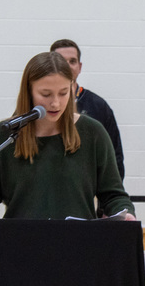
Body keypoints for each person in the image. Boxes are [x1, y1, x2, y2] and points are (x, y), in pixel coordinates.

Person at [0, 51, 135, 220]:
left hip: (79, 242)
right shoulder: (3, 136)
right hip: (18, 242)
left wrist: (126, 213)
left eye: (63, 93)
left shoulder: (93, 132)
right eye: (46, 94)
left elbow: (114, 196)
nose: (55, 103)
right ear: (29, 92)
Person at [50, 39, 125, 181]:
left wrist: (113, 197)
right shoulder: (36, 105)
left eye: (72, 61)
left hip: (89, 193)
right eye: (61, 61)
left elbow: (115, 156)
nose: (67, 66)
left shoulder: (99, 106)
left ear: (79, 67)